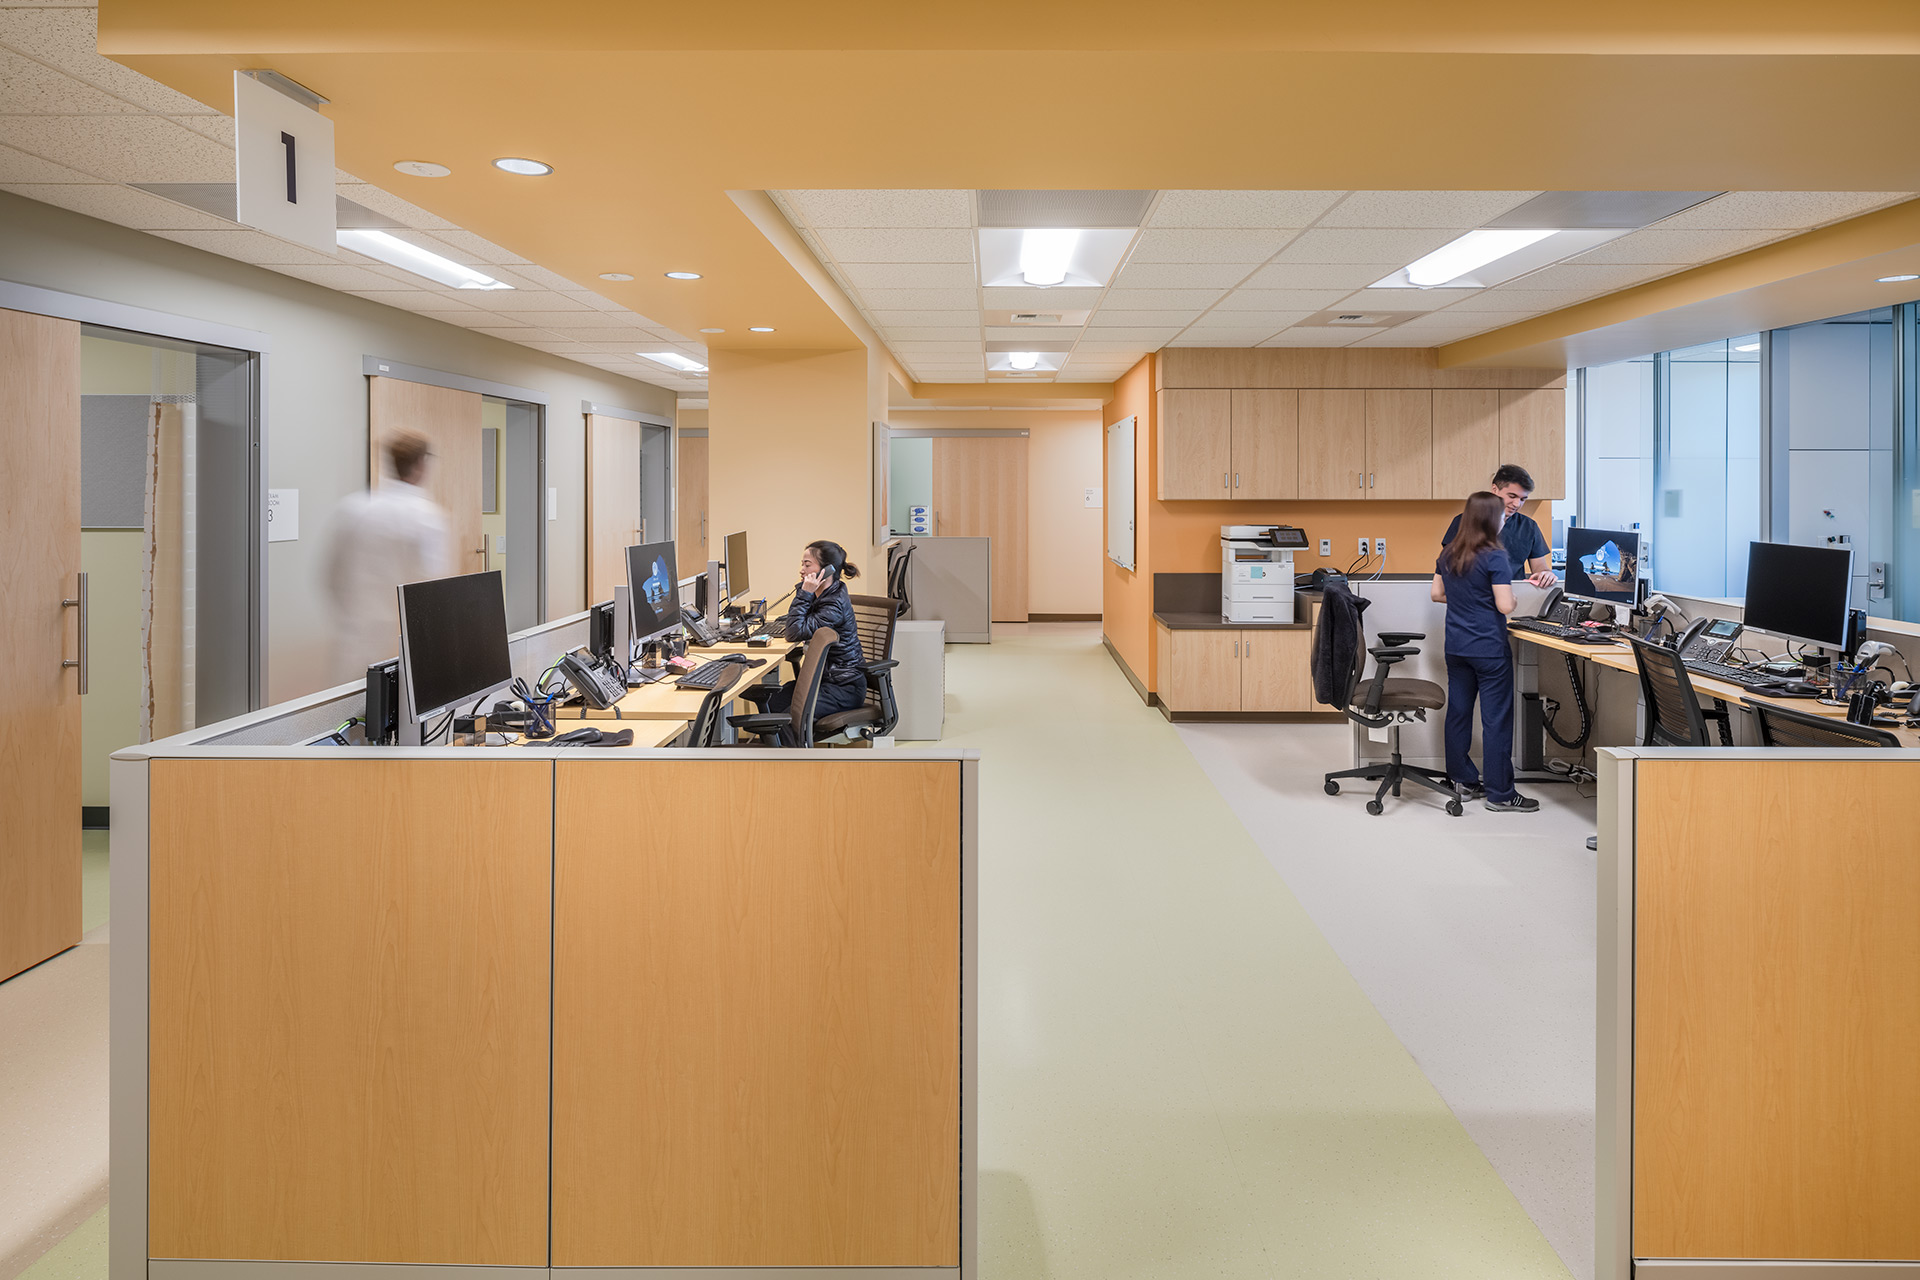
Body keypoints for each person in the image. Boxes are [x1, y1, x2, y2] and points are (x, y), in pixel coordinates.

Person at [1432, 491, 1537, 813]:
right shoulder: (1494, 556)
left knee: (1459, 713)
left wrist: (1468, 601)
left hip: (1456, 647)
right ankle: (1501, 794)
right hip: (1489, 650)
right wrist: (1513, 601)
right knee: (1496, 721)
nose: (1506, 518)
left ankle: (1462, 781)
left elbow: (1437, 594)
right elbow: (1505, 604)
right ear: (1492, 520)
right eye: (1502, 516)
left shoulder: (1449, 554)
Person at [320, 433, 451, 683]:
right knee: (401, 717)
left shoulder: (352, 509)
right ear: (422, 464)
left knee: (351, 716)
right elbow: (433, 591)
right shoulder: (427, 518)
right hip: (404, 645)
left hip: (354, 641)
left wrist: (354, 616)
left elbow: (330, 577)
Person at [746, 540, 869, 730]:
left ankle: (794, 758)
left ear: (826, 570)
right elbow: (797, 625)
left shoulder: (833, 605)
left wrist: (805, 593)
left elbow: (794, 632)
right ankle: (776, 755)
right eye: (802, 564)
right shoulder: (825, 594)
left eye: (807, 564)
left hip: (843, 688)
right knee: (771, 705)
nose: (801, 570)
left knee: (787, 718)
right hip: (826, 681)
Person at [1440, 463, 1556, 588]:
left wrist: (1545, 574)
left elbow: (1539, 566)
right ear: (1495, 490)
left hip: (1513, 595)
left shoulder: (1529, 526)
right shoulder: (1463, 521)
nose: (1517, 504)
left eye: (1523, 499)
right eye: (1512, 496)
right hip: (1474, 596)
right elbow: (1450, 566)